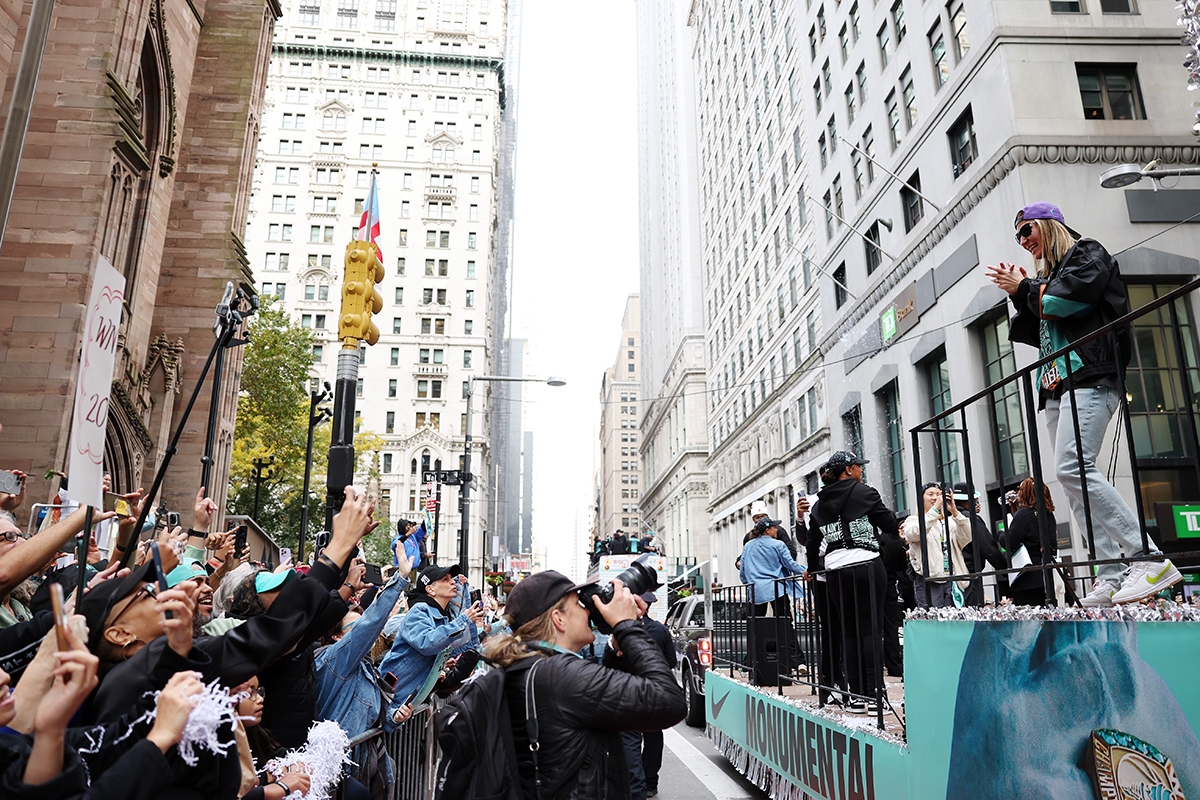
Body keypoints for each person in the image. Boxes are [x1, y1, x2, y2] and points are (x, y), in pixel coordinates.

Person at [987, 201, 1181, 606]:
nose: (1023, 241)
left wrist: (1024, 289)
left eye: (1027, 231)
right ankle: (1110, 576)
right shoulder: (1050, 275)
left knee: (1072, 467)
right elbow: (1029, 327)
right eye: (1017, 236)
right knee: (1072, 483)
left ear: (1048, 224)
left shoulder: (1087, 252)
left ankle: (1148, 557)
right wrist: (1025, 289)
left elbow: (1067, 302)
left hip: (1089, 376)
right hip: (1056, 385)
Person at [481, 571, 685, 800]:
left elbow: (607, 698)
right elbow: (670, 702)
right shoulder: (561, 677)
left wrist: (617, 647)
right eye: (579, 604)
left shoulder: (535, 668)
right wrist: (627, 626)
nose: (588, 610)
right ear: (558, 619)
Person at [807, 451, 897, 713]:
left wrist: (814, 571)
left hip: (835, 570)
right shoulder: (864, 492)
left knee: (848, 631)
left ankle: (856, 697)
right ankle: (874, 694)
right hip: (866, 563)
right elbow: (890, 523)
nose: (861, 470)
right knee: (870, 630)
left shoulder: (819, 504)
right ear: (848, 469)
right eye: (859, 466)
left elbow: (813, 544)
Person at [378, 563, 483, 727]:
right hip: (389, 696)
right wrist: (463, 620)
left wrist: (463, 589)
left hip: (403, 705)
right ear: (430, 589)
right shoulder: (420, 610)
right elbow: (427, 643)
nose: (452, 582)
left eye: (452, 579)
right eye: (445, 579)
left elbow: (464, 643)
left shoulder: (441, 617)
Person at [602, 591, 676, 800]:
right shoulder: (660, 630)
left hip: (628, 695)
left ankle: (638, 786)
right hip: (654, 693)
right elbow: (671, 661)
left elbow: (609, 665)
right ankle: (650, 783)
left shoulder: (619, 633)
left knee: (630, 744)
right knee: (653, 739)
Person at [903, 483, 971, 608]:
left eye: (939, 494)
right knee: (932, 620)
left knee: (953, 620)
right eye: (930, 494)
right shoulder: (913, 520)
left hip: (951, 579)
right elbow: (915, 533)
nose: (935, 497)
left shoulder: (949, 522)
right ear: (921, 498)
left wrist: (955, 512)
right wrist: (935, 510)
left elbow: (967, 536)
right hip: (928, 579)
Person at [1002, 478, 1059, 606]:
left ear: (1027, 493)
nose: (1018, 493)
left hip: (1027, 579)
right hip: (1046, 576)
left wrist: (1001, 534)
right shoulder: (1048, 514)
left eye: (1020, 490)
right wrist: (1014, 507)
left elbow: (1009, 542)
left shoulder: (1024, 514)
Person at [951, 483, 1009, 607]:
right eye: (975, 500)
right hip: (971, 573)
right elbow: (988, 547)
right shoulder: (971, 518)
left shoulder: (949, 518)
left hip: (952, 574)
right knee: (974, 613)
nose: (977, 503)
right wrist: (1005, 569)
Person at [739, 517, 806, 616]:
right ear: (767, 530)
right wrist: (806, 571)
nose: (777, 529)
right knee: (783, 620)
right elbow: (790, 564)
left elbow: (743, 570)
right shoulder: (778, 545)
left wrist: (747, 583)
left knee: (756, 623)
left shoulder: (748, 546)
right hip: (776, 587)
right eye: (774, 527)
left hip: (756, 589)